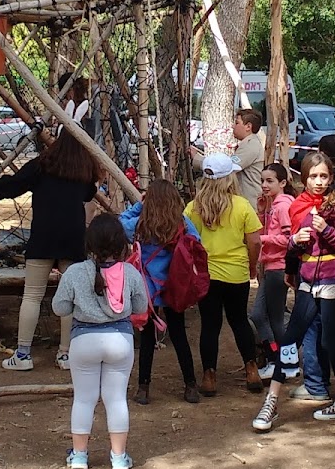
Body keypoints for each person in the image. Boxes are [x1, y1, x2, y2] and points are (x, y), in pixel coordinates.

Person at [251, 151, 335, 431]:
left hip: (334, 281)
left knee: (330, 342)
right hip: (307, 281)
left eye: (323, 176)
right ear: (304, 178)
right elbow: (293, 248)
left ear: (331, 177)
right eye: (313, 176)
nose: (319, 181)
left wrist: (327, 231)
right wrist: (295, 242)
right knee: (290, 339)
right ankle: (271, 401)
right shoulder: (298, 206)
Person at [0, 129, 100, 372]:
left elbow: (12, 186)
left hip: (44, 235)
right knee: (71, 297)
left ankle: (23, 354)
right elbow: (89, 193)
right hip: (73, 237)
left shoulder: (42, 165)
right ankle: (66, 354)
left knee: (32, 295)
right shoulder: (85, 170)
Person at [55, 215, 149, 469]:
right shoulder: (130, 272)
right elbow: (141, 306)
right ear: (121, 244)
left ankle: (79, 456)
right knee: (116, 399)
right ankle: (119, 458)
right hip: (120, 341)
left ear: (89, 244)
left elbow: (59, 307)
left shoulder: (75, 272)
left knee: (84, 399)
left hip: (83, 341)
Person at [121, 180, 202, 404]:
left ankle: (143, 388)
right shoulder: (181, 223)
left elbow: (120, 224)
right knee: (179, 335)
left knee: (147, 338)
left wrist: (139, 206)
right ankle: (190, 385)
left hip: (147, 290)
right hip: (174, 286)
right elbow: (197, 240)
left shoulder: (140, 224)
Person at [187, 153, 261, 397]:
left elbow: (186, 239)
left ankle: (209, 376)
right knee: (239, 321)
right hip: (236, 272)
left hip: (207, 275)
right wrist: (252, 266)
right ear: (230, 177)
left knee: (210, 325)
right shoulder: (241, 205)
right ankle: (251, 369)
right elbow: (255, 241)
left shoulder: (194, 207)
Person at [247, 161, 295, 397]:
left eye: (270, 181)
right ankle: (277, 358)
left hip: (278, 266)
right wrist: (261, 212)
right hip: (269, 266)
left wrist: (263, 240)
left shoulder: (284, 205)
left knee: (275, 318)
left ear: (282, 182)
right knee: (258, 315)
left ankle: (284, 363)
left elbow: (289, 238)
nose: (264, 185)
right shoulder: (272, 205)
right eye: (262, 181)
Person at [231, 108, 265, 208]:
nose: (233, 126)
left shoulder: (251, 146)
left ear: (248, 126)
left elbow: (229, 167)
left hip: (250, 204)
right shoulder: (248, 144)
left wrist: (198, 159)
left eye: (237, 123)